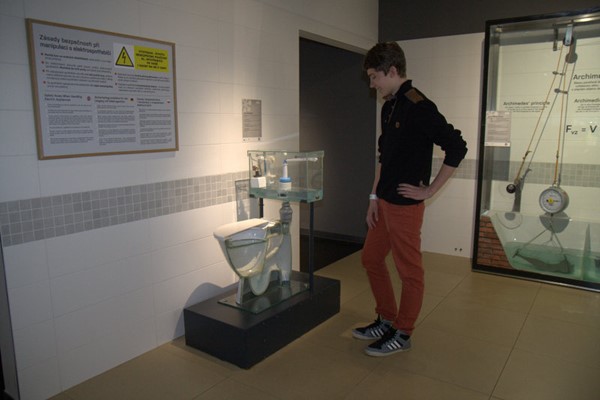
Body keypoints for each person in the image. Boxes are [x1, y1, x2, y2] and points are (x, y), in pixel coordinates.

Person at [352, 42, 468, 357]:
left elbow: (457, 147)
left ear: (392, 71)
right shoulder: (389, 107)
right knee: (371, 259)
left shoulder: (419, 106)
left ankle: (403, 333)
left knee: (409, 272)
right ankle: (387, 318)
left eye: (374, 77)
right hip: (383, 202)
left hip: (405, 207)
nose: (372, 84)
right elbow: (384, 158)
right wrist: (373, 196)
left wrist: (429, 190)